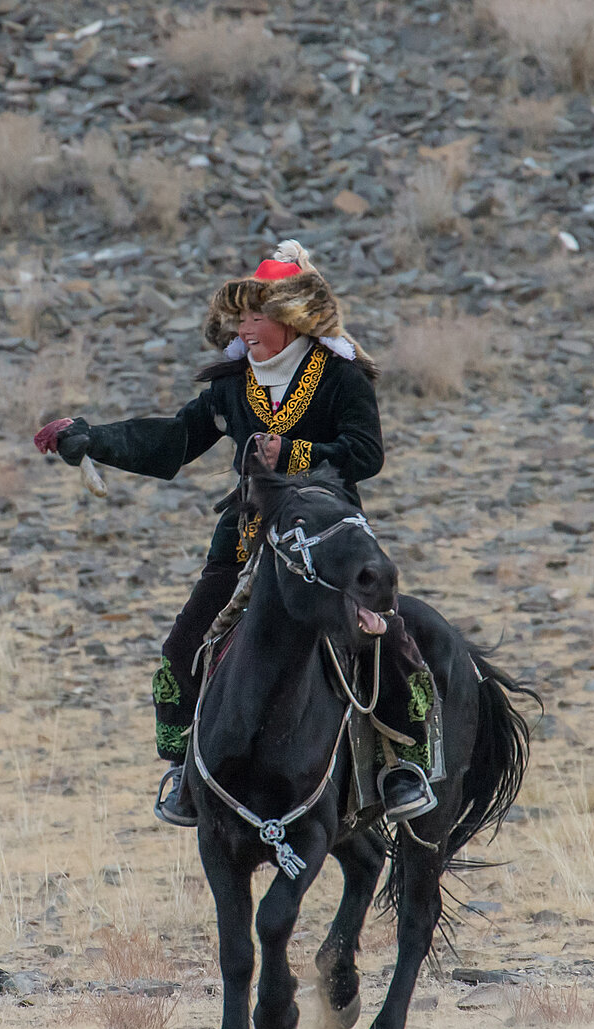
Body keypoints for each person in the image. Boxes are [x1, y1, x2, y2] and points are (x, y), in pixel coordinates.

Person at [33, 240, 433, 827]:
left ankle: (401, 766)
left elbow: (367, 454)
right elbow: (173, 441)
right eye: (241, 315)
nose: (244, 326)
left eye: (257, 315)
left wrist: (295, 451)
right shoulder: (231, 385)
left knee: (383, 635)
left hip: (330, 533)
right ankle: (186, 776)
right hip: (247, 537)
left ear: (293, 319)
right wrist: (93, 438)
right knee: (182, 648)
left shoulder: (343, 376)